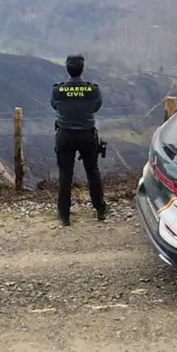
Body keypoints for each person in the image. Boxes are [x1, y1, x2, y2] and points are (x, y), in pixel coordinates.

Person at [51, 54, 106, 226]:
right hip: (87, 135)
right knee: (92, 171)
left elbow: (54, 105)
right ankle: (100, 209)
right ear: (82, 69)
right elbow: (96, 107)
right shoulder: (93, 90)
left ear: (67, 69)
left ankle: (64, 215)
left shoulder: (58, 90)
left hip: (65, 135)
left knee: (65, 174)